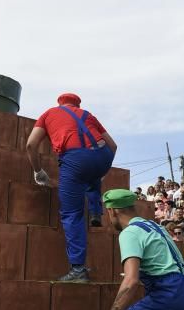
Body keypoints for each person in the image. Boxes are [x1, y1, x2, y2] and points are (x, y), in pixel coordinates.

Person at [26, 92, 117, 281]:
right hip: (103, 156)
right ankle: (94, 211)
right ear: (77, 104)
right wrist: (101, 168)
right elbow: (113, 146)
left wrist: (38, 171)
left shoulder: (49, 114)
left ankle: (78, 269)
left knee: (72, 214)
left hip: (75, 159)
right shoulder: (88, 115)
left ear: (60, 103)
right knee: (92, 176)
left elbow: (30, 145)